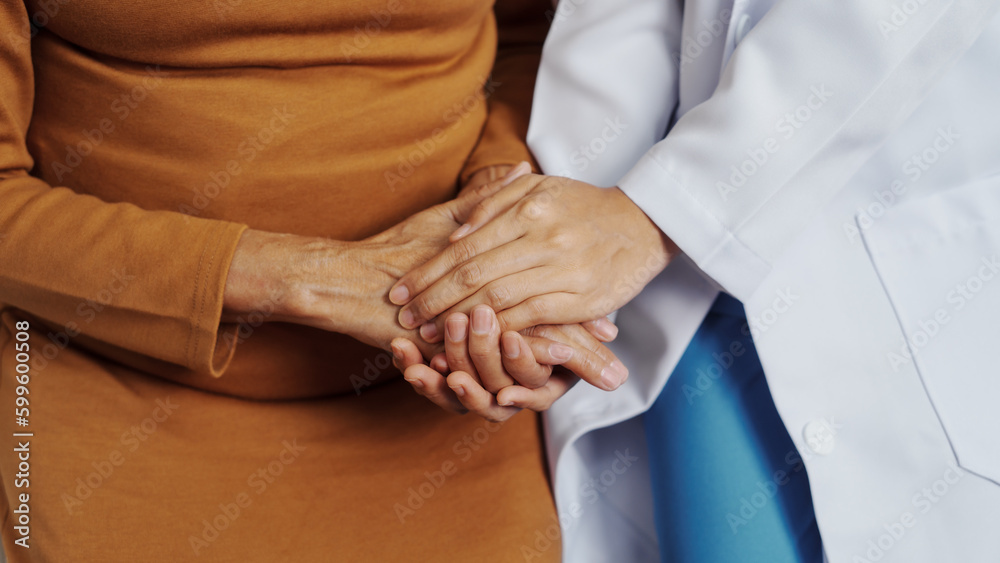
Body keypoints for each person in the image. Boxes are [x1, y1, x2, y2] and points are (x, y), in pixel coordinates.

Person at [0, 1, 622, 560]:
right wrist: (317, 280)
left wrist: (499, 213)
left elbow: (529, 36)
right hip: (108, 380)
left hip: (439, 400)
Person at [391, 0, 1000, 561]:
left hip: (891, 243)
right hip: (681, 303)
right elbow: (625, 20)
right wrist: (531, 264)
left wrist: (653, 214)